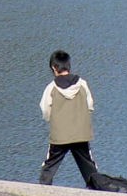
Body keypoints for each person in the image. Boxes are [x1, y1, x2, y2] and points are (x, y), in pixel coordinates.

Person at [37, 49, 100, 187]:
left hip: (60, 135)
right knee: (88, 164)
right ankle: (97, 188)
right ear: (69, 66)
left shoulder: (51, 87)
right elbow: (90, 105)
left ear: (54, 68)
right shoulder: (82, 83)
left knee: (50, 164)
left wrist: (53, 120)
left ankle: (43, 188)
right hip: (81, 134)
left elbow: (45, 110)